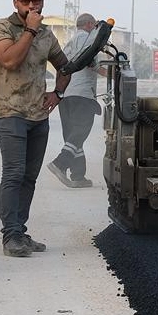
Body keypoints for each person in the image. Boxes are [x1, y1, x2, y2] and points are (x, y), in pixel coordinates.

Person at [0, 0, 72, 257]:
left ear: (42, 1)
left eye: (36, 1)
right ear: (16, 3)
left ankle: (20, 231)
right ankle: (10, 235)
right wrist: (30, 30)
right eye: (26, 2)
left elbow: (65, 66)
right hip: (10, 113)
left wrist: (58, 93)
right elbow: (10, 60)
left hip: (38, 115)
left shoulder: (47, 35)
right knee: (13, 174)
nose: (32, 6)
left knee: (29, 178)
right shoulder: (1, 28)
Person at [46, 12, 102, 189]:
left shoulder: (69, 43)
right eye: (94, 26)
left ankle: (78, 176)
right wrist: (115, 73)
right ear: (90, 24)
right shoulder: (86, 39)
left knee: (73, 137)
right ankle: (60, 163)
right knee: (80, 132)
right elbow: (90, 64)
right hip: (82, 95)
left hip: (66, 94)